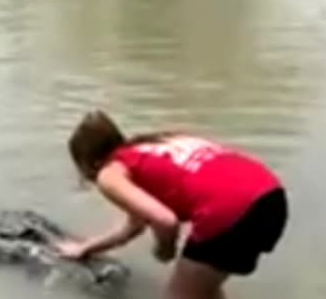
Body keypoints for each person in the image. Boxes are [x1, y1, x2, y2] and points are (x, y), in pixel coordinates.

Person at [54, 109, 288, 299]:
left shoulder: (109, 173)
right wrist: (87, 248)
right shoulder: (160, 142)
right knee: (204, 289)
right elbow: (134, 226)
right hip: (270, 197)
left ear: (92, 163)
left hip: (230, 210)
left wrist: (165, 249)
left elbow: (165, 220)